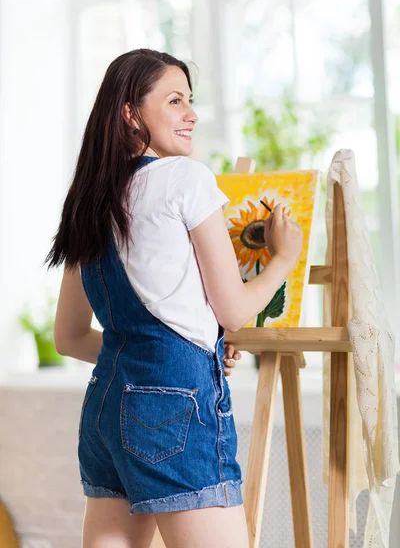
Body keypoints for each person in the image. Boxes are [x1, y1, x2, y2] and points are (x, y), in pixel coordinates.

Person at [44, 48, 303, 548]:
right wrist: (283, 259)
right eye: (175, 100)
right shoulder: (185, 178)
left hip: (107, 409)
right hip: (174, 409)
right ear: (130, 112)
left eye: (191, 100)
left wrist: (179, 348)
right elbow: (234, 309)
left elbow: (69, 337)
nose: (192, 114)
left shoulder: (89, 200)